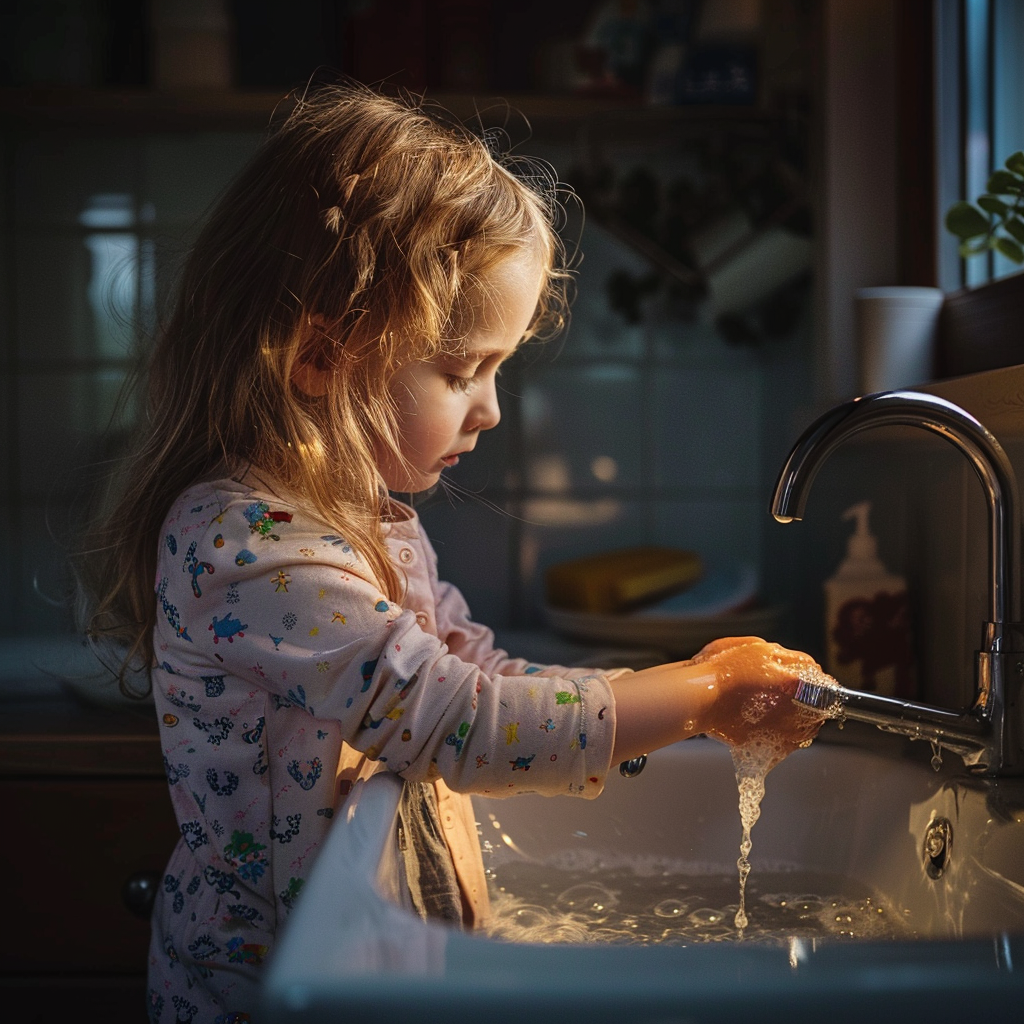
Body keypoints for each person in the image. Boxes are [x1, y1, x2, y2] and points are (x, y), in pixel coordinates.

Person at [83, 82, 822, 1024]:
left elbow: (475, 670)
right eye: (462, 369)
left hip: (360, 965)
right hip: (264, 995)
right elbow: (457, 723)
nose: (492, 408)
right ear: (319, 359)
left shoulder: (365, 517)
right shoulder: (247, 545)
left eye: (498, 369)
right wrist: (700, 695)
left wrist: (670, 689)